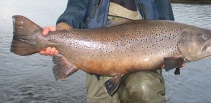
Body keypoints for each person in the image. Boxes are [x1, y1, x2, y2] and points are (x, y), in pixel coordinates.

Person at [40, 0, 181, 103]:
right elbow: (76, 8)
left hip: (144, 54)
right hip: (99, 54)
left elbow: (167, 24)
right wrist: (63, 28)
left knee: (145, 91)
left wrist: (171, 58)